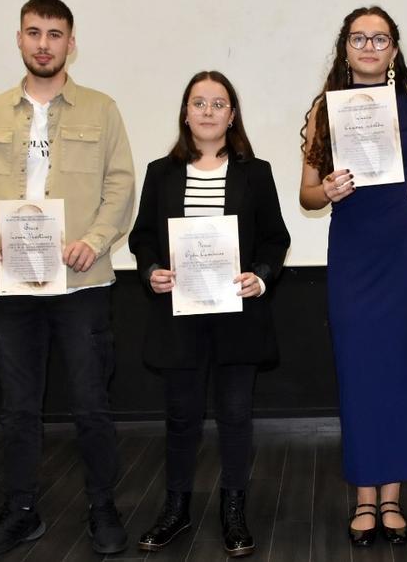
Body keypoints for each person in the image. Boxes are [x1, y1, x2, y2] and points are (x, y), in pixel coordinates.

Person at [0, 0, 135, 557]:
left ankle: (102, 507)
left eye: (55, 34)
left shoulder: (101, 109)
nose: (44, 43)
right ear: (18, 39)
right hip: (11, 285)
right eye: (33, 33)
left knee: (91, 404)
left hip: (81, 283)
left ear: (71, 43)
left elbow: (120, 186)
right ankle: (20, 512)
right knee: (17, 408)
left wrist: (95, 240)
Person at [299, 6, 407, 547]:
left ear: (394, 50)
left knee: (402, 374)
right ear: (345, 49)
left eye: (378, 38)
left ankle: (392, 496)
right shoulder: (324, 110)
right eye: (358, 38)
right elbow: (307, 194)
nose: (368, 46)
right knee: (359, 373)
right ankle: (364, 494)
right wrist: (328, 189)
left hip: (403, 256)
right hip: (353, 257)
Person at [129, 71, 290, 557]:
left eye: (218, 103)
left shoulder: (255, 172)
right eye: (198, 102)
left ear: (232, 115)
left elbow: (275, 238)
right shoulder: (161, 172)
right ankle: (176, 510)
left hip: (238, 313)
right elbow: (142, 238)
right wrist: (152, 269)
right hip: (179, 315)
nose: (207, 111)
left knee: (236, 415)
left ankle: (233, 510)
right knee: (181, 417)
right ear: (185, 112)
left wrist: (260, 276)